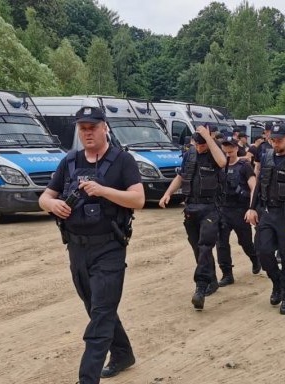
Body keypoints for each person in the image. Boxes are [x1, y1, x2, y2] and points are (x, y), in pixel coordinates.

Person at [38, 106, 145, 383]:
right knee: (96, 306)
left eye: (92, 127)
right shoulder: (70, 161)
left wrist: (103, 190)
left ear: (104, 127)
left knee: (100, 314)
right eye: (82, 128)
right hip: (77, 249)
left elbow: (138, 200)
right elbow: (44, 197)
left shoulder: (123, 160)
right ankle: (123, 354)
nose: (87, 132)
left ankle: (87, 378)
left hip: (109, 247)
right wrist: (54, 204)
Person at [159, 125, 227, 311]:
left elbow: (222, 162)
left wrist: (209, 138)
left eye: (202, 145)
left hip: (210, 207)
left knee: (205, 246)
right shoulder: (190, 154)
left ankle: (200, 286)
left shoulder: (215, 153)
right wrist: (168, 193)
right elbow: (181, 176)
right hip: (191, 208)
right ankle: (211, 280)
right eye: (197, 144)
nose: (199, 148)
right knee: (198, 248)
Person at [246, 125, 285, 315]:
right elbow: (259, 184)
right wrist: (251, 208)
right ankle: (277, 283)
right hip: (268, 213)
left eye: (279, 140)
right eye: (273, 140)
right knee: (263, 251)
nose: (276, 143)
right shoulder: (266, 156)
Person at [216, 136, 261, 286]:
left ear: (236, 148)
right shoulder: (219, 165)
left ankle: (255, 258)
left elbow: (254, 186)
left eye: (231, 148)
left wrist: (251, 208)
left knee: (245, 242)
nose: (228, 152)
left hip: (239, 210)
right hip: (222, 209)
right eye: (225, 149)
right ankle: (227, 274)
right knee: (221, 243)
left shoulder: (244, 166)